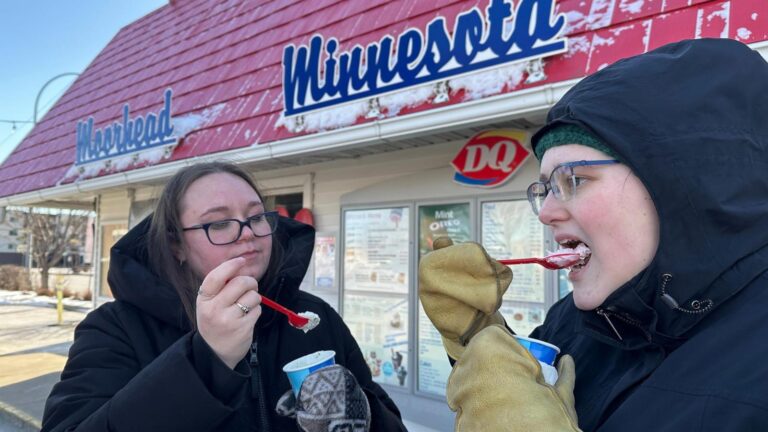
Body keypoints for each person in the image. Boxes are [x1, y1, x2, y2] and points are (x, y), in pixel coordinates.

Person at [419, 38, 768, 431]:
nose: (547, 212)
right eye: (545, 188)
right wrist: (480, 338)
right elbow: (515, 393)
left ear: (684, 180)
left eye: (575, 179)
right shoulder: (583, 317)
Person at [42, 162, 407, 432]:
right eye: (218, 223)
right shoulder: (116, 329)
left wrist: (361, 414)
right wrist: (206, 362)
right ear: (176, 245)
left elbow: (390, 423)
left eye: (256, 216)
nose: (248, 234)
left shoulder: (313, 318)